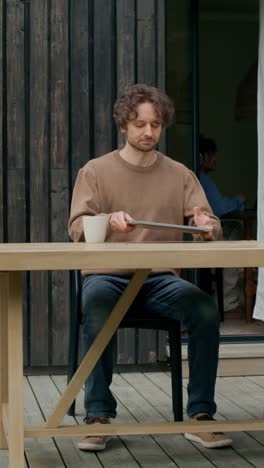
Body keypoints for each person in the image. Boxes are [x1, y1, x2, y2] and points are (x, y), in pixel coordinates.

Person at [68, 84, 232, 452]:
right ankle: (97, 416)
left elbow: (212, 224)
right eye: (139, 123)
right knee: (94, 302)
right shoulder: (95, 172)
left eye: (155, 124)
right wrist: (108, 221)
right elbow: (77, 226)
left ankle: (201, 415)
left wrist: (208, 226)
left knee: (204, 308)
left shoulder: (179, 174)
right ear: (124, 125)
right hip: (107, 276)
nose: (148, 132)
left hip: (160, 281)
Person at [199, 135, 246, 314]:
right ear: (203, 157)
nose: (215, 159)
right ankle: (228, 300)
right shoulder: (201, 178)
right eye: (212, 155)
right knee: (234, 234)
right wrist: (239, 199)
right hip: (205, 236)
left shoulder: (201, 178)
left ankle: (239, 280)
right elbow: (220, 208)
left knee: (235, 230)